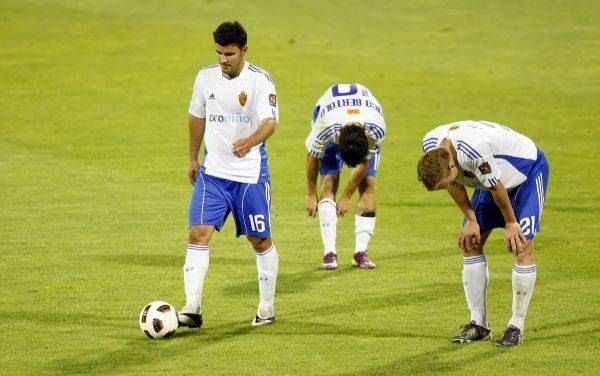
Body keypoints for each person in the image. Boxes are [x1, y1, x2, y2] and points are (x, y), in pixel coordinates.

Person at [178, 21, 279, 329]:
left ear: (244, 50)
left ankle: (267, 307)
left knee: (259, 240)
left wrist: (250, 141)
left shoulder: (260, 81)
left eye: (230, 54)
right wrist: (193, 157)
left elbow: (270, 122)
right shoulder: (205, 77)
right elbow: (197, 115)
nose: (223, 60)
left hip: (250, 177)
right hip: (214, 174)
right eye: (219, 53)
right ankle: (192, 308)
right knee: (198, 233)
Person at [417, 120, 549, 346]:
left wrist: (511, 223)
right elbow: (454, 184)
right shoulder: (432, 146)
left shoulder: (474, 151)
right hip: (488, 180)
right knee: (470, 242)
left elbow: (497, 187)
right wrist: (470, 219)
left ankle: (516, 326)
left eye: (446, 182)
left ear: (452, 167)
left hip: (525, 173)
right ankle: (479, 324)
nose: (447, 186)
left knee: (522, 244)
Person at [305, 84, 386, 270]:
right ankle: (329, 252)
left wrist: (347, 195)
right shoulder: (325, 127)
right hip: (329, 111)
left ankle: (361, 252)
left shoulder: (376, 130)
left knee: (368, 184)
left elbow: (364, 162)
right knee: (328, 183)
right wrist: (311, 194)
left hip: (362, 122)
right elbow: (312, 156)